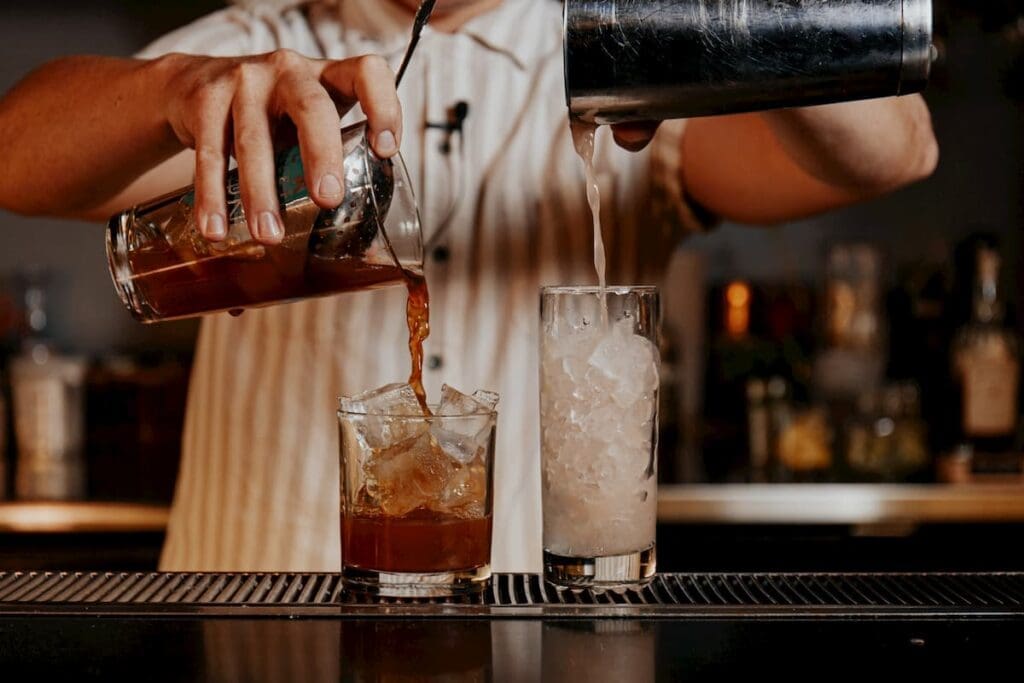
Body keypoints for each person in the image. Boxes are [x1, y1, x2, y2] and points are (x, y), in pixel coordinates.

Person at [0, 0, 938, 572]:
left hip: (532, 640)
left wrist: (727, 19)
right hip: (252, 625)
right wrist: (176, 89)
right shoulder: (266, 43)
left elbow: (897, 150)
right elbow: (13, 154)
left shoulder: (617, 52)